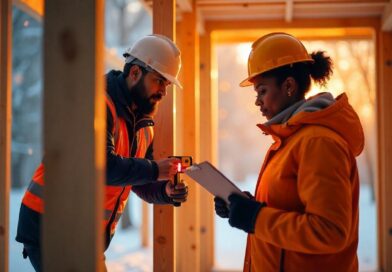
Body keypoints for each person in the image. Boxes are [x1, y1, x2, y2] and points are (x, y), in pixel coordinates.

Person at [16, 34, 188, 271]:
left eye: (167, 84)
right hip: (51, 224)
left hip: (85, 234)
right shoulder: (95, 104)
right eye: (159, 81)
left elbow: (137, 178)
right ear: (135, 73)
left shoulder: (143, 122)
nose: (163, 92)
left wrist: (165, 190)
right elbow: (101, 166)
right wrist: (156, 169)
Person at [214, 32, 364, 272]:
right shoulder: (290, 141)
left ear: (289, 86)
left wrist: (256, 218)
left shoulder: (318, 143)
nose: (257, 102)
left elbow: (330, 232)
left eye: (262, 91)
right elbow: (290, 207)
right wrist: (246, 208)